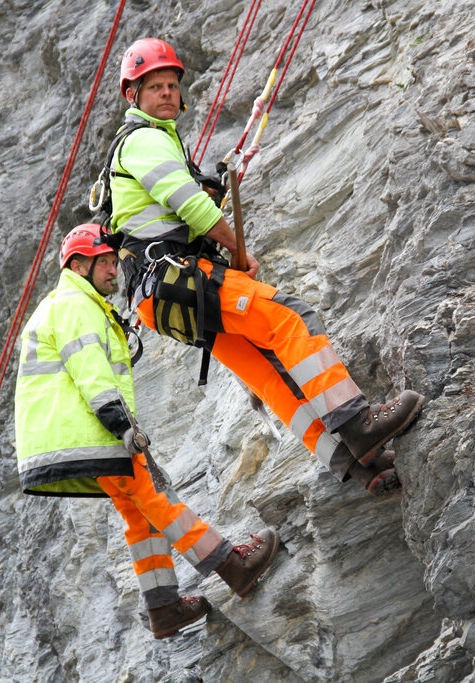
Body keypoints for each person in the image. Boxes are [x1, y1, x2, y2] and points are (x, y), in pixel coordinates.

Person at [106, 38, 423, 497]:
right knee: (291, 318)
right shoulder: (143, 141)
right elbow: (188, 205)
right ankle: (359, 425)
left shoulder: (154, 145)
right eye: (155, 86)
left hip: (165, 294)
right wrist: (238, 247)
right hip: (177, 279)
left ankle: (357, 467)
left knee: (267, 373)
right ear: (132, 96)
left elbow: (172, 214)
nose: (167, 93)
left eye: (172, 84)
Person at [13, 224, 279, 639]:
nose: (112, 270)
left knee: (140, 516)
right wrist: (122, 425)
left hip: (73, 441)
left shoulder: (67, 304)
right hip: (95, 434)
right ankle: (234, 566)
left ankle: (164, 608)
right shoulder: (72, 304)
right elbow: (90, 371)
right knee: (158, 497)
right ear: (77, 264)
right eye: (102, 262)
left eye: (112, 262)